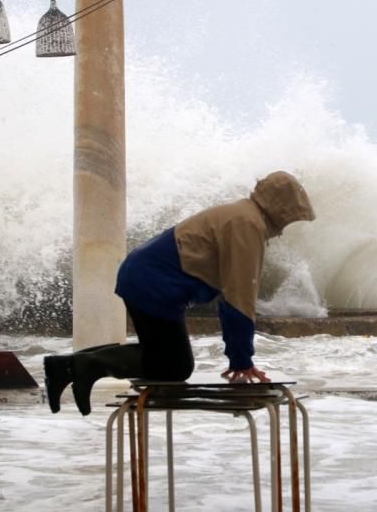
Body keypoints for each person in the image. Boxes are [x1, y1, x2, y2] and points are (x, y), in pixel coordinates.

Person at [44, 171, 315, 416]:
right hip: (153, 284)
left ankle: (72, 366)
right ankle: (80, 367)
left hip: (144, 277)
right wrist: (242, 360)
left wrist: (239, 355)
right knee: (173, 367)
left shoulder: (243, 215)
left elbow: (231, 295)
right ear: (279, 208)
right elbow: (239, 298)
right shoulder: (248, 224)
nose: (288, 226)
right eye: (291, 216)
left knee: (162, 358)